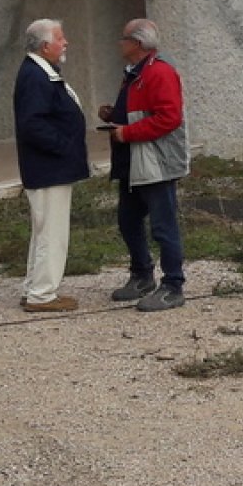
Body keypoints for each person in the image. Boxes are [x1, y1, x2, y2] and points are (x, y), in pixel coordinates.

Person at [99, 18, 190, 312]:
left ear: (137, 44)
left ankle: (173, 285)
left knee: (163, 226)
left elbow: (169, 117)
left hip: (155, 161)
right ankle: (141, 274)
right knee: (128, 220)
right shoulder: (135, 73)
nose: (119, 43)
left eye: (124, 38)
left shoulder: (160, 73)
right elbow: (141, 110)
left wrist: (128, 132)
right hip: (133, 160)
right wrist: (115, 114)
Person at [13, 19, 90, 313]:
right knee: (52, 233)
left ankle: (35, 287)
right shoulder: (35, 76)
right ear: (45, 46)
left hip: (50, 167)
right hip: (48, 168)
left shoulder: (42, 72)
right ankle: (43, 294)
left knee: (44, 230)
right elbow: (32, 124)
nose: (65, 43)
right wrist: (64, 146)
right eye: (60, 38)